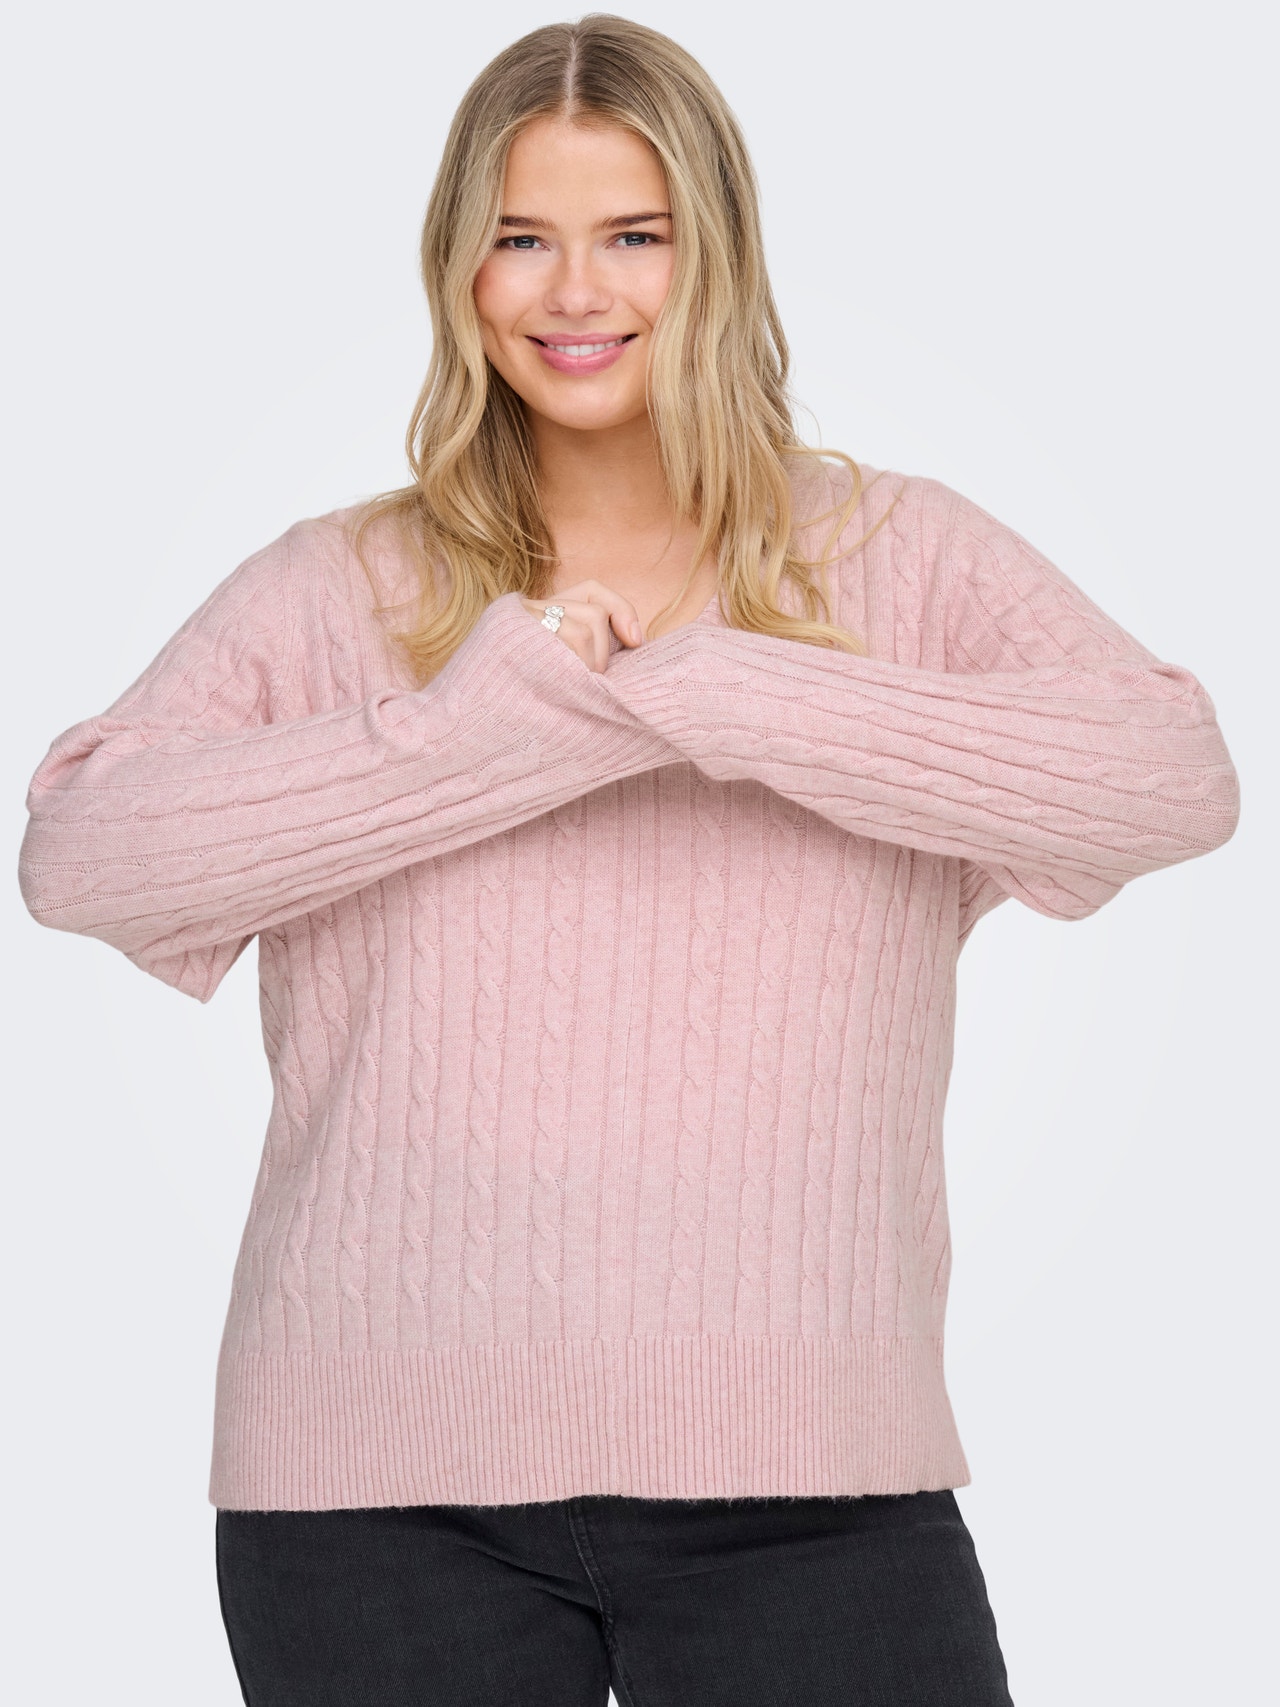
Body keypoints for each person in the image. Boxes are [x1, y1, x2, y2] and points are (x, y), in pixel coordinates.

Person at [16, 14, 1240, 1707]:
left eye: (634, 235)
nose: (575, 291)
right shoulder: (338, 583)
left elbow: (1170, 779)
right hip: (376, 1499)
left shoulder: (898, 554)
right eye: (521, 237)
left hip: (816, 1483)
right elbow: (83, 855)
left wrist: (729, 685)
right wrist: (482, 730)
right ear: (459, 266)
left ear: (714, 252)